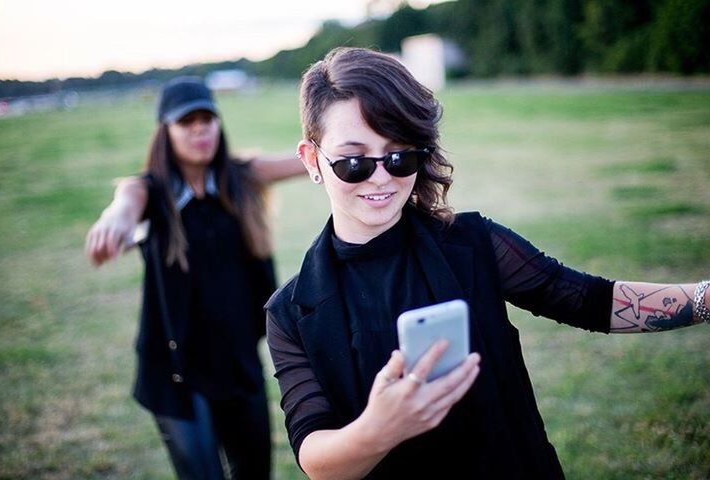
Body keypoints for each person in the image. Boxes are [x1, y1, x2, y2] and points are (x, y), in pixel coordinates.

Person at [264, 47, 710, 479]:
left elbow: (592, 300)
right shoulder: (292, 310)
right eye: (355, 162)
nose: (381, 177)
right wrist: (378, 429)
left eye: (401, 157)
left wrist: (706, 299)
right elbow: (315, 456)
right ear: (312, 160)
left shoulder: (473, 244)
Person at [85, 76, 305, 480]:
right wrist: (113, 221)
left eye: (208, 118)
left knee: (254, 471)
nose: (200, 129)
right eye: (187, 122)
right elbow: (125, 202)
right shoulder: (152, 191)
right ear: (166, 131)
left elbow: (310, 161)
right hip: (176, 371)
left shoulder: (240, 177)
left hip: (237, 362)